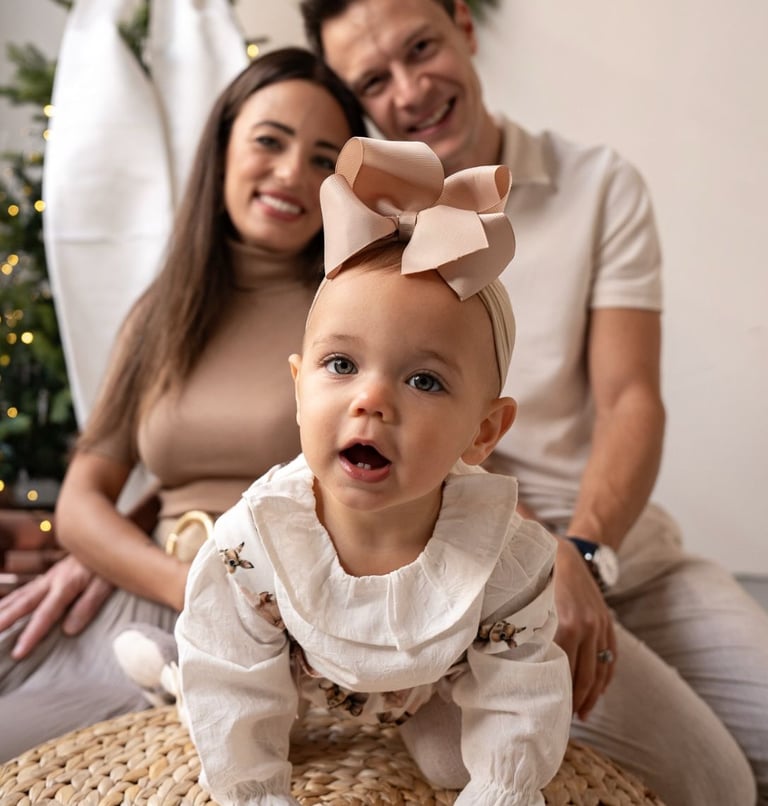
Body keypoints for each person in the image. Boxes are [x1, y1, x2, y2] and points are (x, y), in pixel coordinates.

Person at [299, 1, 768, 804]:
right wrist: (533, 553)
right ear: (354, 101)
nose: (410, 90)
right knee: (715, 784)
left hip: (617, 544)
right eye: (374, 79)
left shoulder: (597, 184)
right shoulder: (356, 230)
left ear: (464, 27)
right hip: (483, 559)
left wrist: (584, 552)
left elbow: (630, 401)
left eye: (422, 48)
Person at [175, 135, 571, 806]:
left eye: (424, 379)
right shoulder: (256, 541)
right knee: (223, 712)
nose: (371, 400)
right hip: (292, 675)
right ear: (300, 389)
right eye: (341, 365)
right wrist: (256, 789)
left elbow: (520, 688)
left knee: (453, 764)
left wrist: (501, 788)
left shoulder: (505, 557)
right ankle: (163, 677)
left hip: (426, 687)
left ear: (484, 431)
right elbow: (231, 676)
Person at [0, 46, 367, 761]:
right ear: (224, 144)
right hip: (144, 596)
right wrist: (183, 583)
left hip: (269, 630)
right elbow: (80, 502)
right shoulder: (161, 313)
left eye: (324, 159)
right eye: (270, 140)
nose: (293, 173)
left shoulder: (353, 311)